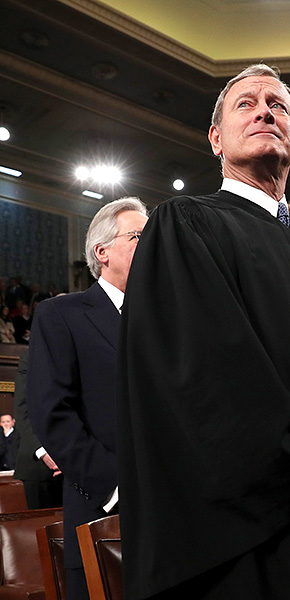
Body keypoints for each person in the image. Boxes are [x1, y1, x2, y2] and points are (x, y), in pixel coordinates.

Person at [116, 64, 290, 600]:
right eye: (245, 104)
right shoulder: (184, 226)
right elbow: (206, 383)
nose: (264, 111)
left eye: (277, 105)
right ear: (215, 138)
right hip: (263, 536)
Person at [28, 196, 149, 600]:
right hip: (106, 517)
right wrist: (116, 488)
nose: (152, 245)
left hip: (180, 517)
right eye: (138, 236)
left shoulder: (170, 321)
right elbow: (53, 414)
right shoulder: (62, 315)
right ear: (102, 252)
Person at [12, 349, 63, 509]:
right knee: (39, 529)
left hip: (74, 464)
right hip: (37, 465)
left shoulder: (79, 354)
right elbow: (22, 410)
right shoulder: (30, 357)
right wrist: (43, 452)